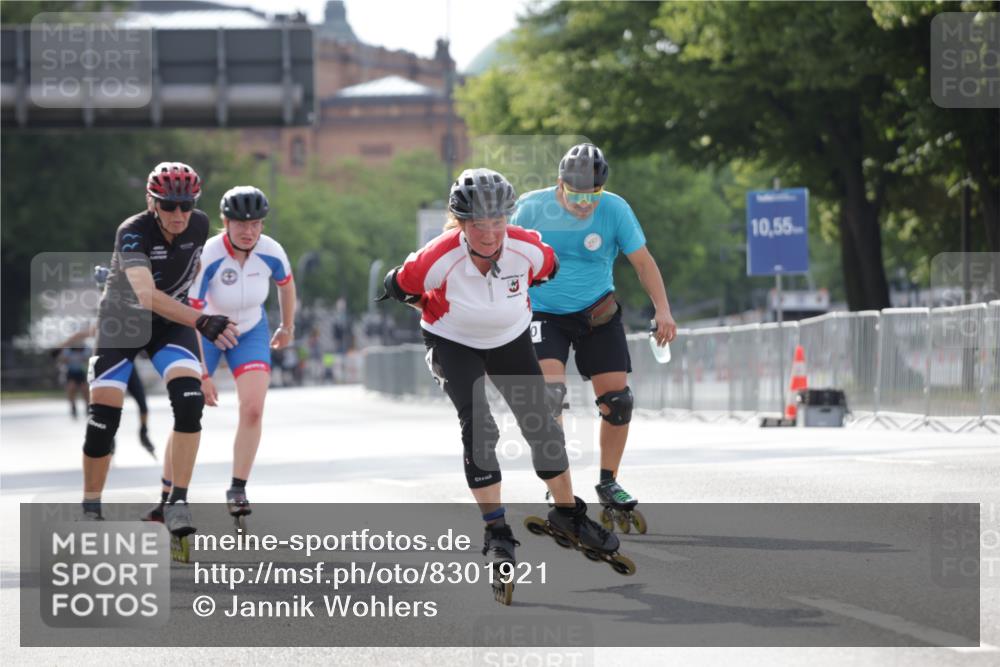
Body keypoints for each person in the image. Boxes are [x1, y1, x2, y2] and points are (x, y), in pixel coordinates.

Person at [380, 167, 622, 604]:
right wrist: (424, 301)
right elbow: (395, 285)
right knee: (479, 423)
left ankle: (567, 514)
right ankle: (497, 533)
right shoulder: (436, 257)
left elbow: (547, 270)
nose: (490, 233)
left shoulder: (527, 249)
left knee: (542, 424)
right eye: (478, 224)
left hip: (509, 338)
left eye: (497, 222)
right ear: (460, 223)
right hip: (453, 341)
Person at [509, 143, 677, 527]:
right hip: (543, 315)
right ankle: (559, 479)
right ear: (560, 185)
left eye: (593, 195)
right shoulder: (532, 209)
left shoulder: (615, 210)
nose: (585, 204)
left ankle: (608, 482)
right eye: (576, 195)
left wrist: (663, 309)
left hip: (597, 312)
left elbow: (642, 262)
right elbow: (505, 259)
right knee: (550, 399)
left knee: (618, 401)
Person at [81, 161, 238, 535]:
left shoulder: (199, 225)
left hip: (168, 326)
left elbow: (194, 267)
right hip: (123, 321)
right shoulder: (133, 231)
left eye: (186, 204)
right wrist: (201, 320)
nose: (179, 214)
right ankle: (90, 506)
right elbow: (147, 295)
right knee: (104, 420)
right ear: (152, 203)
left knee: (188, 401)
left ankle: (176, 502)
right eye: (169, 206)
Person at [145, 185, 295, 523]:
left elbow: (287, 285)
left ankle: (238, 488)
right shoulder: (209, 254)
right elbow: (192, 312)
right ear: (225, 222)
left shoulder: (271, 251)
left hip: (250, 330)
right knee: (188, 409)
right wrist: (204, 373)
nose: (248, 231)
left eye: (256, 224)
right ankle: (167, 494)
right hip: (207, 331)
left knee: (254, 409)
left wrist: (287, 327)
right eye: (240, 224)